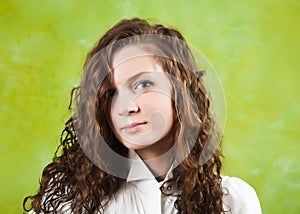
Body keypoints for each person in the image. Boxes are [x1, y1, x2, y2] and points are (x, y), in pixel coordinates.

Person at [23, 18, 262, 214]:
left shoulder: (233, 202)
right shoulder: (70, 200)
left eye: (143, 84)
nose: (126, 107)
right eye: (112, 93)